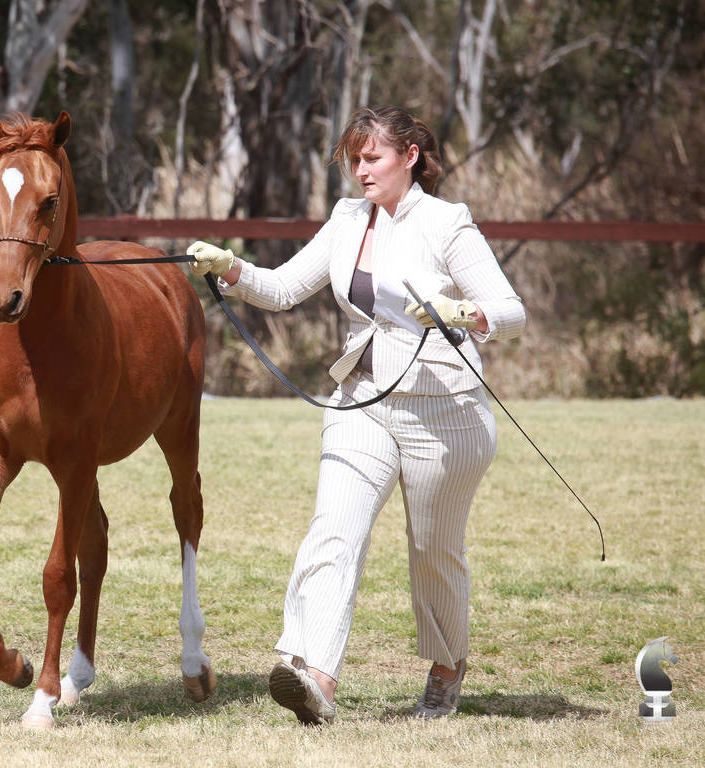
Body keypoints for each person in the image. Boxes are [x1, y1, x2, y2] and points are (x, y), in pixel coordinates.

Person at [186, 105, 526, 724]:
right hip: (360, 401)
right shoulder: (348, 219)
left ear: (409, 158)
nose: (360, 171)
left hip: (445, 414)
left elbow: (510, 311)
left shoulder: (447, 224)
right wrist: (229, 268)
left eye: (372, 158)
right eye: (354, 159)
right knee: (333, 531)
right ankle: (316, 678)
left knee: (434, 551)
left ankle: (448, 669)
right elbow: (284, 287)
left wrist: (466, 315)